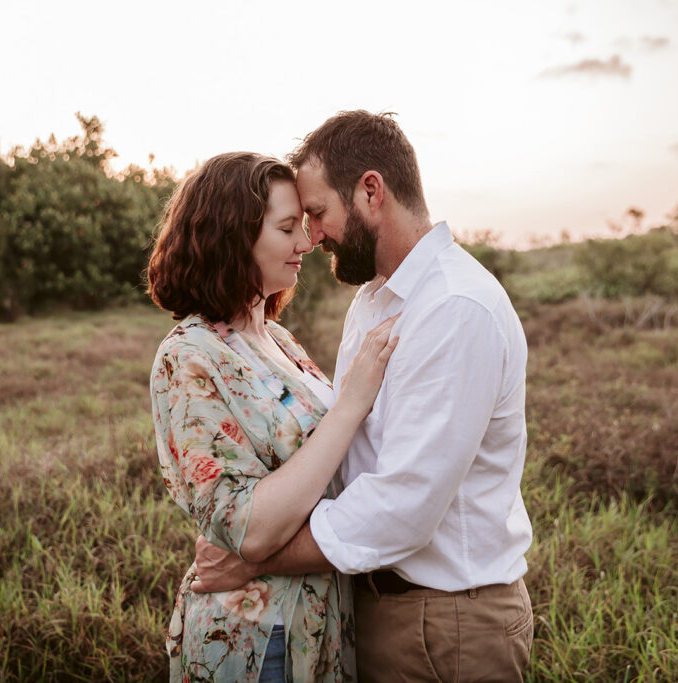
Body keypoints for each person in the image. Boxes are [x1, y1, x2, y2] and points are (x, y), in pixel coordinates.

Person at [192, 112, 534, 682]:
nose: (313, 235)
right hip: (375, 610)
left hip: (445, 627)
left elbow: (402, 508)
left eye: (320, 213)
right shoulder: (376, 300)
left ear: (371, 191)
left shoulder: (452, 308)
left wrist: (254, 557)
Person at [146, 151, 398, 682]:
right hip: (261, 638)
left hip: (325, 622)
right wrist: (351, 403)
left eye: (304, 227)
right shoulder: (188, 356)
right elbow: (249, 531)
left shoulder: (278, 339)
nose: (307, 243)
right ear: (233, 237)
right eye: (287, 229)